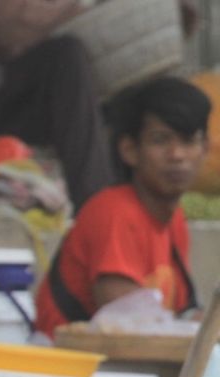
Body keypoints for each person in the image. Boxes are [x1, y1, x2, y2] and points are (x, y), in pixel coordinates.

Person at [0, 0, 198, 209]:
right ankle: (97, 207)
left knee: (124, 80)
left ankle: (139, 204)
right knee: (66, 58)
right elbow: (14, 25)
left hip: (14, 89)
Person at [34, 76, 211, 337]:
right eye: (161, 140)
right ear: (129, 150)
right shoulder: (113, 213)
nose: (178, 155)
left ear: (205, 148)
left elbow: (182, 315)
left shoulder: (174, 220)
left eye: (189, 141)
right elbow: (126, 326)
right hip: (69, 369)